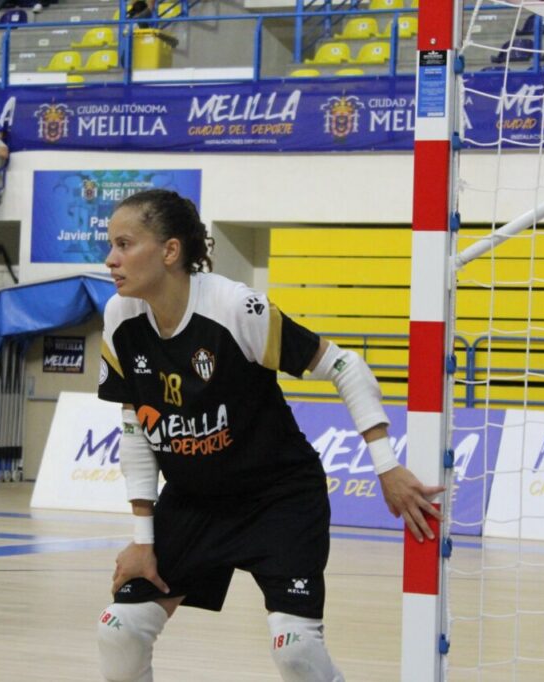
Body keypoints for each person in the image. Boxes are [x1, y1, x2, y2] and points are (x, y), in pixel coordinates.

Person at [94, 190, 443, 682]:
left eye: (124, 244)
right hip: (195, 503)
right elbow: (136, 431)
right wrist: (141, 539)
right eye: (111, 245)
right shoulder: (120, 320)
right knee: (119, 629)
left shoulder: (234, 308)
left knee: (296, 651)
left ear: (169, 251)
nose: (110, 259)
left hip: (278, 500)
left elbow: (346, 366)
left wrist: (386, 466)